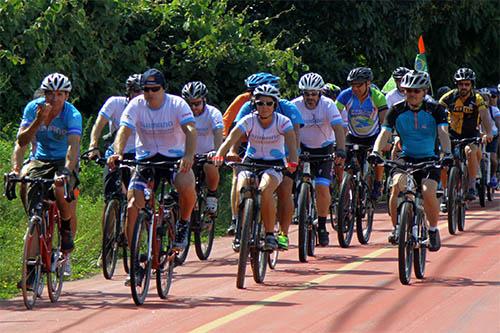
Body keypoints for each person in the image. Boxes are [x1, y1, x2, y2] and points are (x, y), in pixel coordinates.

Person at [107, 68, 197, 284]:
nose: (149, 93)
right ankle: (136, 262)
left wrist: (189, 155)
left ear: (163, 89)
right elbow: (124, 130)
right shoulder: (136, 105)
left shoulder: (176, 104)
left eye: (154, 89)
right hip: (146, 159)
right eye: (145, 89)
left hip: (173, 158)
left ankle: (184, 223)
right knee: (132, 206)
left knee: (186, 183)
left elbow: (190, 130)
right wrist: (118, 151)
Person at [368, 70, 452, 252]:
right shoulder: (396, 110)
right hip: (405, 157)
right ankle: (396, 227)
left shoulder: (436, 109)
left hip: (429, 158)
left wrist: (447, 153)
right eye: (408, 91)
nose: (412, 94)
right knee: (396, 185)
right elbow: (384, 133)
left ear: (424, 92)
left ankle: (432, 230)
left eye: (416, 91)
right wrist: (376, 151)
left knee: (428, 191)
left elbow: (443, 133)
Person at [12, 73, 82, 279]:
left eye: (60, 94)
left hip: (64, 160)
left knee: (60, 188)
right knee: (26, 182)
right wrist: (38, 120)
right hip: (40, 160)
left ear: (66, 96)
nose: (54, 98)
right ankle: (32, 268)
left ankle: (67, 229)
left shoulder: (72, 114)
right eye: (50, 93)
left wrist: (67, 171)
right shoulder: (33, 108)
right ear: (44, 94)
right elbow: (22, 142)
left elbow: (73, 146)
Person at [213, 84, 298, 250]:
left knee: (265, 189)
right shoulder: (249, 120)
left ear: (275, 104)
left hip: (274, 164)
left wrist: (292, 162)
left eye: (269, 103)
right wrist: (219, 154)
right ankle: (240, 228)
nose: (264, 107)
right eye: (260, 103)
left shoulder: (283, 122)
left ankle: (269, 234)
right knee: (241, 185)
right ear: (254, 104)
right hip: (251, 161)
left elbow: (292, 145)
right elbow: (231, 139)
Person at [292, 73, 346, 246]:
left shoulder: (328, 105)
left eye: (314, 94)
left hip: (324, 148)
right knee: (293, 181)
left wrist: (341, 150)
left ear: (320, 94)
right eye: (306, 93)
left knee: (322, 187)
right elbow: (289, 131)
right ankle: (299, 206)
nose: (310, 97)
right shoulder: (295, 105)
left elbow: (338, 128)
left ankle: (322, 226)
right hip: (302, 148)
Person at [223, 73, 281, 236]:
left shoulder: (281, 106)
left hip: (273, 148)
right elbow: (229, 124)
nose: (253, 97)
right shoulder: (244, 101)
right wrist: (230, 151)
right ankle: (236, 219)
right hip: (243, 142)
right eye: (251, 92)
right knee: (238, 176)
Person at [439, 67, 493, 200]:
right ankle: (445, 193)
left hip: (471, 134)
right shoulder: (448, 97)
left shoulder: (478, 98)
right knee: (443, 160)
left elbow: (485, 116)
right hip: (451, 134)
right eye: (461, 83)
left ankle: (471, 186)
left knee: (470, 151)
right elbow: (437, 112)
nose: (463, 87)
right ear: (456, 84)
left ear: (471, 85)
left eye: (467, 84)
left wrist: (488, 132)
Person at [88, 74, 143, 200]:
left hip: (139, 154)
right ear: (129, 91)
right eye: (136, 90)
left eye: (142, 90)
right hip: (116, 153)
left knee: (138, 197)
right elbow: (98, 125)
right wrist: (93, 146)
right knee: (110, 194)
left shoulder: (150, 109)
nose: (139, 95)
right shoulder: (115, 103)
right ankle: (109, 216)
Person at [336, 67, 388, 199]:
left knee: (378, 157)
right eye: (353, 85)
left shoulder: (377, 97)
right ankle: (345, 190)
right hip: (353, 135)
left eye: (359, 85)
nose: (355, 88)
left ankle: (377, 182)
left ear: (368, 83)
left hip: (373, 136)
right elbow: (334, 116)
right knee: (343, 160)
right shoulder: (345, 95)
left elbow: (385, 123)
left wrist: (387, 140)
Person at [181, 81, 223, 214]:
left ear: (204, 100)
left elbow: (218, 132)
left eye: (197, 103)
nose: (193, 107)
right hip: (187, 155)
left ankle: (212, 193)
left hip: (207, 154)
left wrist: (216, 151)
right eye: (190, 104)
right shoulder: (180, 113)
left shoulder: (213, 113)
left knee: (210, 166)